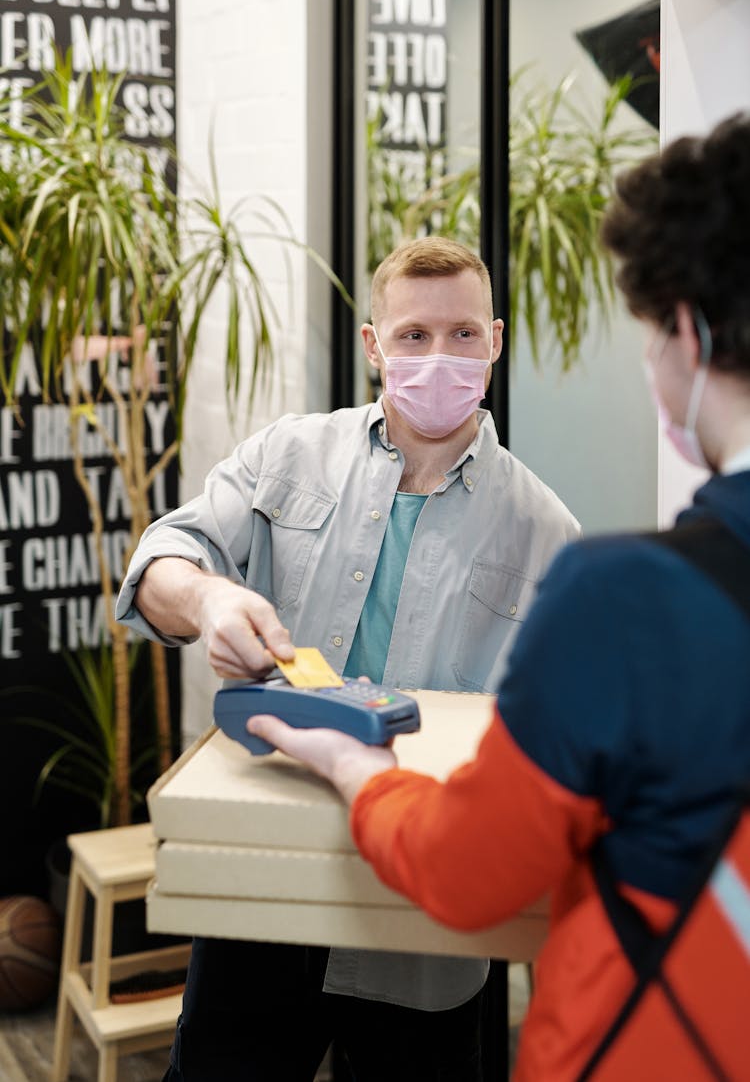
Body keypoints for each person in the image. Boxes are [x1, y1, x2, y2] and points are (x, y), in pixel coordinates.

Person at [247, 115, 750, 1080]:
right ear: (373, 343)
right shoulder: (293, 453)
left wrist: (355, 766)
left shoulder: (623, 598)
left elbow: (471, 868)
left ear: (685, 330)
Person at [116, 236, 579, 1081]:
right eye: (413, 336)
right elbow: (160, 562)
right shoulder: (289, 455)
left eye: (463, 334)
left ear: (496, 341)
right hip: (262, 897)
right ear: (373, 345)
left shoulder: (547, 533)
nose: (439, 357)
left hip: (427, 931)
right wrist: (211, 597)